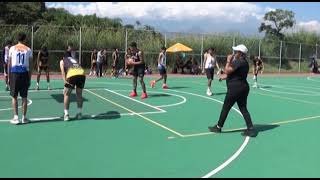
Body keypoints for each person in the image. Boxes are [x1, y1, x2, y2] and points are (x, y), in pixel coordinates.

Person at [208, 44, 256, 137]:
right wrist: (225, 77)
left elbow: (227, 70)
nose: (234, 53)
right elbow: (235, 74)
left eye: (236, 52)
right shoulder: (244, 62)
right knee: (243, 108)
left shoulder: (238, 61)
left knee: (226, 107)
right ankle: (250, 129)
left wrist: (228, 61)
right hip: (243, 87)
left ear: (240, 53)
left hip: (235, 89)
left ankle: (218, 127)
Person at [7, 33, 33, 125]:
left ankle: (16, 117)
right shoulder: (28, 50)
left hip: (14, 73)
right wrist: (29, 78)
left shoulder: (12, 48)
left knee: (14, 96)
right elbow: (30, 65)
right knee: (24, 97)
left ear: (17, 39)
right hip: (24, 73)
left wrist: (9, 77)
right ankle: (24, 118)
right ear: (25, 39)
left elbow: (9, 64)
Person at [60, 50, 86, 121]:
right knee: (79, 94)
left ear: (63, 56)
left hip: (72, 74)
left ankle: (66, 115)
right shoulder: (75, 59)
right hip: (82, 74)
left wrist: (64, 81)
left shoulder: (62, 61)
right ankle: (79, 114)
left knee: (67, 94)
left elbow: (63, 72)